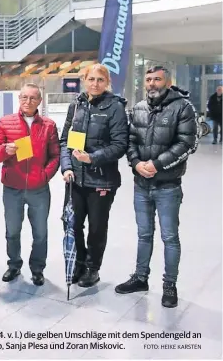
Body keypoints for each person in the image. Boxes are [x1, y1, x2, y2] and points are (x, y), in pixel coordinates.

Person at [115, 65, 198, 308]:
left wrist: (157, 164)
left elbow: (187, 143)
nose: (151, 83)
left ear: (168, 81)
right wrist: (136, 163)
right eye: (148, 79)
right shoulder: (139, 108)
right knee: (143, 234)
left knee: (169, 237)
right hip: (141, 184)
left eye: (157, 79)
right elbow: (130, 140)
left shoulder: (183, 107)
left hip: (168, 186)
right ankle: (140, 278)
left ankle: (169, 285)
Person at [59, 63, 129, 288]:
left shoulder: (115, 107)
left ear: (106, 82)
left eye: (100, 80)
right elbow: (65, 141)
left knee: (97, 227)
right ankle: (78, 262)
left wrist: (93, 158)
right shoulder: (77, 105)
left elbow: (120, 145)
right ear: (84, 80)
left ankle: (92, 267)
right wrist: (67, 167)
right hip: (75, 179)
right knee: (72, 223)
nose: (95, 84)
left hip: (102, 180)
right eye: (91, 79)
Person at [0, 83, 60, 286]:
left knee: (40, 232)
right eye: (24, 98)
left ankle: (37, 269)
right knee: (12, 231)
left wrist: (45, 175)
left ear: (39, 101)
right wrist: (5, 150)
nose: (28, 102)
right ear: (19, 99)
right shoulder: (5, 122)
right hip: (13, 188)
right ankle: (14, 265)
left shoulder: (49, 125)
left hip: (39, 189)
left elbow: (55, 155)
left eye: (33, 98)